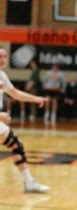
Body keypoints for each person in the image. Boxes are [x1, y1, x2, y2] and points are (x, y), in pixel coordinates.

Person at [0, 47, 50, 193]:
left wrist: (35, 99)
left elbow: (14, 93)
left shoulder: (2, 75)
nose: (2, 60)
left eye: (4, 56)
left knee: (17, 145)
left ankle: (29, 183)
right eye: (0, 56)